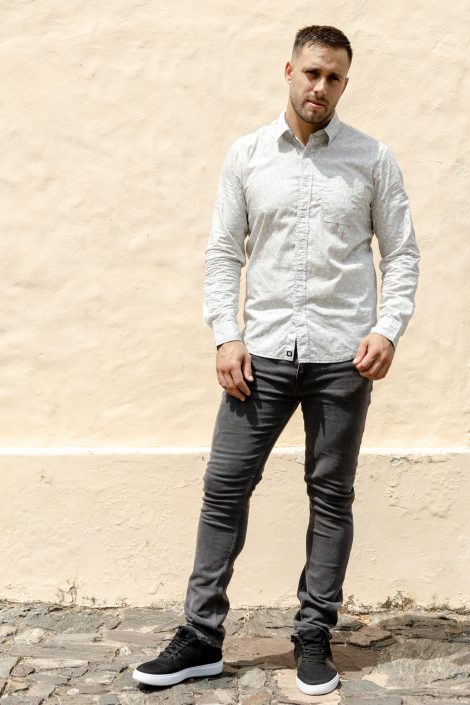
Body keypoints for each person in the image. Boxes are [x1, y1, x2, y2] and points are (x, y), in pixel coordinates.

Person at [133, 24, 420, 696]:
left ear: (344, 84)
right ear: (289, 71)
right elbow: (222, 252)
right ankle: (201, 636)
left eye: (334, 77)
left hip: (343, 356)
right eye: (312, 72)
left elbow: (402, 253)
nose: (321, 87)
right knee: (224, 487)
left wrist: (388, 328)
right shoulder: (248, 155)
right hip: (258, 355)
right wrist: (225, 334)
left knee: (331, 495)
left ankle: (314, 634)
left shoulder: (373, 159)